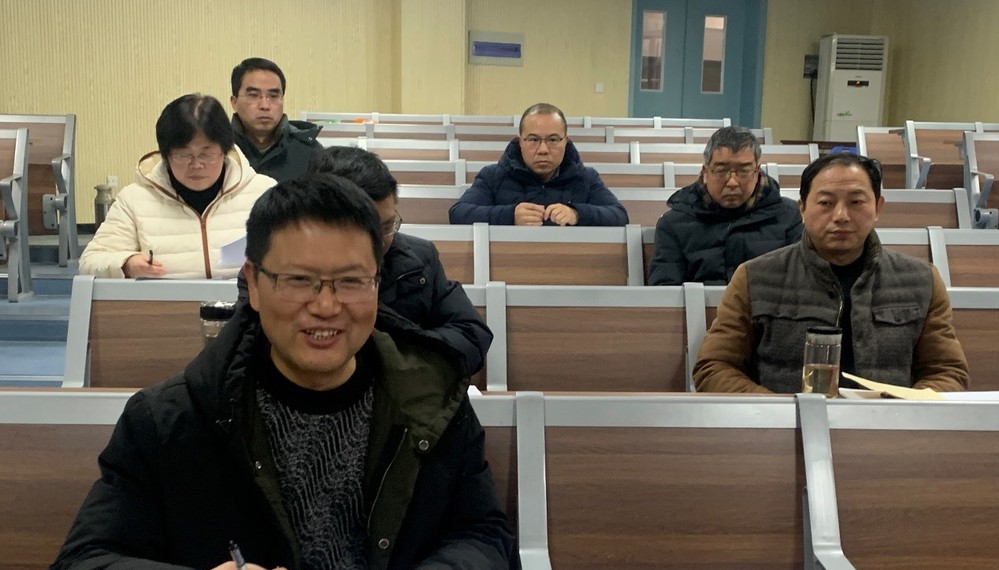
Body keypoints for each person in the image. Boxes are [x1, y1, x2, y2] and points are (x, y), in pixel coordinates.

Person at [50, 174, 514, 570]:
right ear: (253, 283)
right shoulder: (172, 417)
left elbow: (483, 530)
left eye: (352, 281)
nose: (326, 306)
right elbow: (84, 565)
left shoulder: (432, 398)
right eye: (298, 281)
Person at [693, 152, 969, 394]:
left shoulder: (920, 281)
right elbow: (714, 367)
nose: (841, 216)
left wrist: (902, 410)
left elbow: (947, 371)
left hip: (889, 427)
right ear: (802, 209)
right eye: (826, 203)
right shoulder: (756, 278)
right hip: (783, 428)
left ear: (878, 208)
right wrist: (775, 409)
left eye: (856, 202)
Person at [238, 146, 491, 375]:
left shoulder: (418, 260)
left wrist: (394, 366)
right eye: (365, 229)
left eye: (387, 226)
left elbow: (471, 335)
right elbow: (249, 348)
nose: (379, 241)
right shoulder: (273, 269)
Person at [79, 94, 275, 279]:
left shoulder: (264, 193)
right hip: (166, 303)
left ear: (225, 151)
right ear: (165, 155)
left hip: (245, 303)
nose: (196, 164)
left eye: (206, 154)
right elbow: (90, 262)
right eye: (183, 155)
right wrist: (126, 264)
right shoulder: (134, 200)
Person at [647, 126, 802, 286]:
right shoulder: (674, 223)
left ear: (757, 172)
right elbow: (665, 290)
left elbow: (802, 283)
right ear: (705, 172)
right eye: (721, 171)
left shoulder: (788, 215)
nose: (732, 182)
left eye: (744, 171)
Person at [448, 103, 628, 227]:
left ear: (565, 141)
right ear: (520, 142)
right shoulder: (493, 176)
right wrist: (510, 215)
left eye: (553, 140)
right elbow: (459, 213)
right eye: (533, 140)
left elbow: (619, 216)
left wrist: (577, 214)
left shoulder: (585, 178)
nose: (543, 149)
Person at [230, 57, 323, 181]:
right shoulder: (218, 147)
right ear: (234, 102)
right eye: (254, 95)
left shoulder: (309, 151)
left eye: (273, 96)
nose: (265, 106)